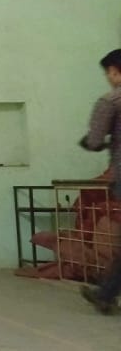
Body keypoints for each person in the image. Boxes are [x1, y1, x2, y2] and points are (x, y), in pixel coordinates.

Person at [79, 49, 121, 314]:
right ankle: (106, 293)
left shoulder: (110, 100)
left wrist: (91, 142)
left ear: (114, 71)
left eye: (108, 73)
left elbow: (94, 140)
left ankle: (106, 294)